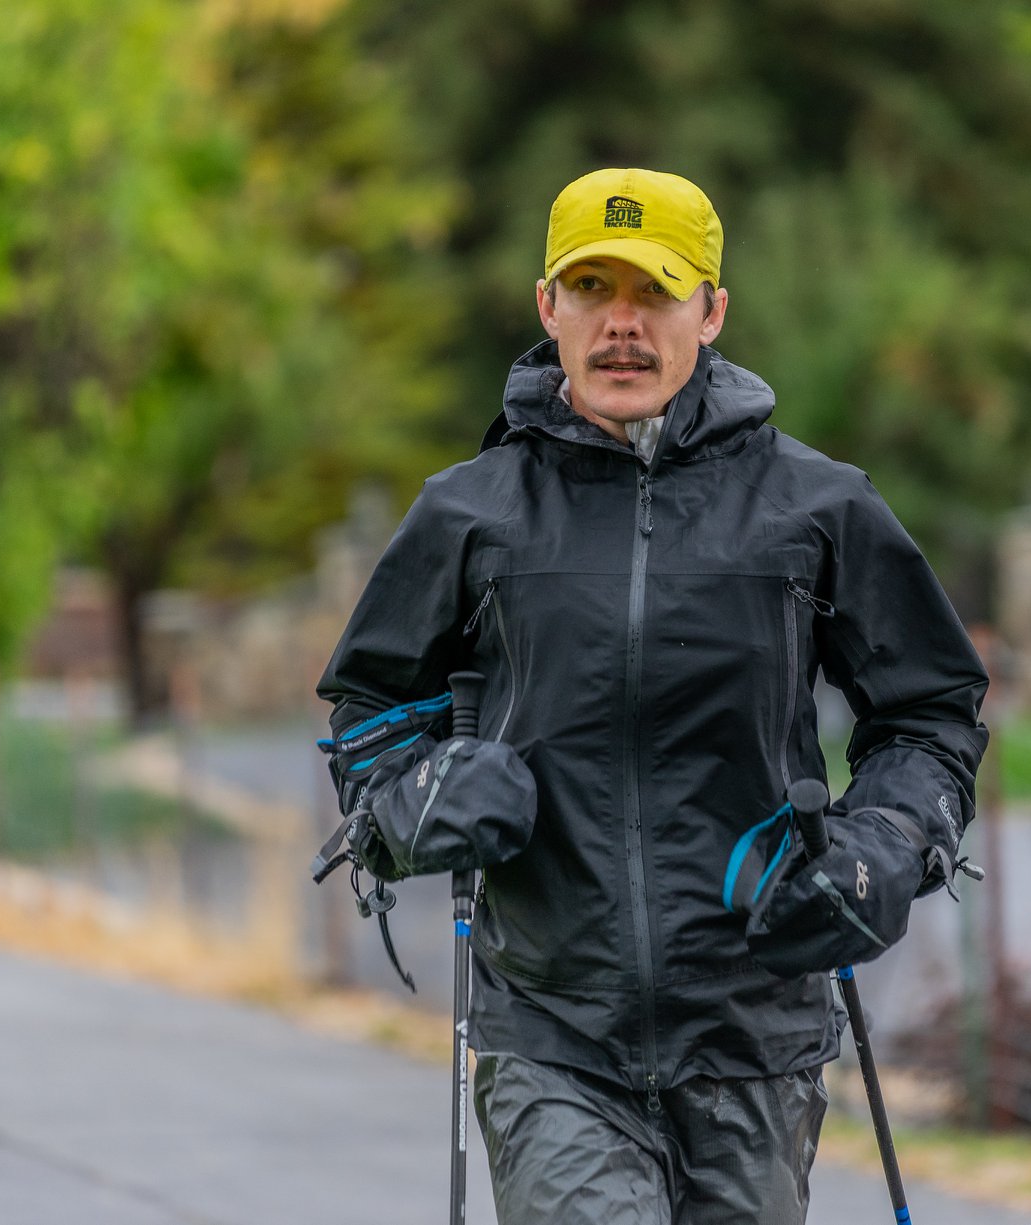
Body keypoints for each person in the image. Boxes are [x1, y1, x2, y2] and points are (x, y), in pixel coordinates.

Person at [317, 167, 988, 1224]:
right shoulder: (469, 513)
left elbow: (931, 713)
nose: (619, 326)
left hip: (753, 1031)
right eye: (591, 289)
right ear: (548, 306)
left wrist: (885, 844)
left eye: (654, 293)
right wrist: (418, 799)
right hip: (550, 1028)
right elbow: (365, 721)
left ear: (711, 312)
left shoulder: (817, 508)